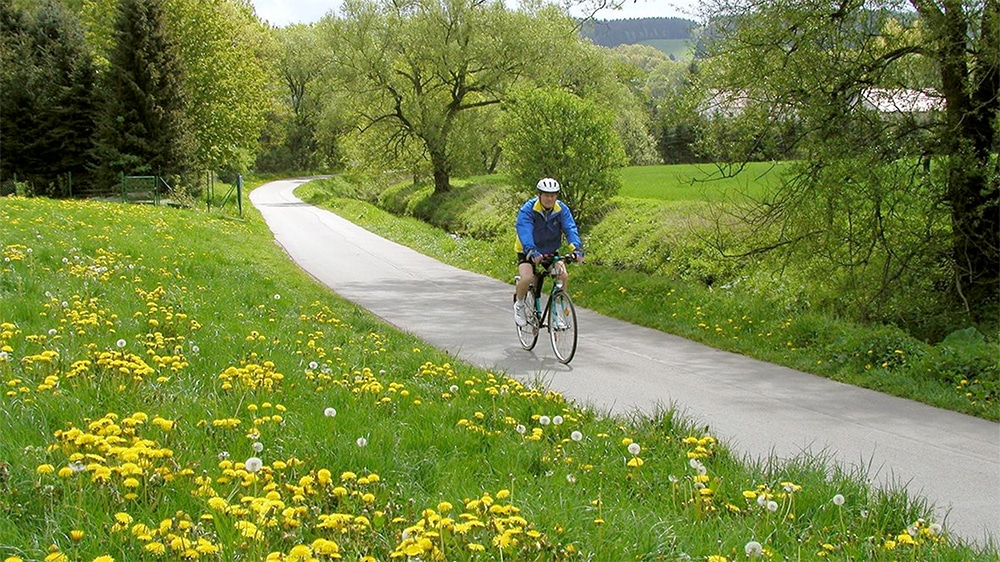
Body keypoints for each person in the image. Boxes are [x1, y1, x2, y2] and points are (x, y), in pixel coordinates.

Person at [513, 177, 584, 327]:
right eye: (546, 195)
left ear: (556, 196)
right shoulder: (528, 209)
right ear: (539, 195)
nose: (549, 198)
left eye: (553, 195)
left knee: (563, 275)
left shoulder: (561, 210)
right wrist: (530, 250)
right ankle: (519, 305)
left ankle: (558, 309)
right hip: (528, 249)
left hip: (550, 250)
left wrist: (576, 248)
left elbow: (570, 228)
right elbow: (524, 230)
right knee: (527, 278)